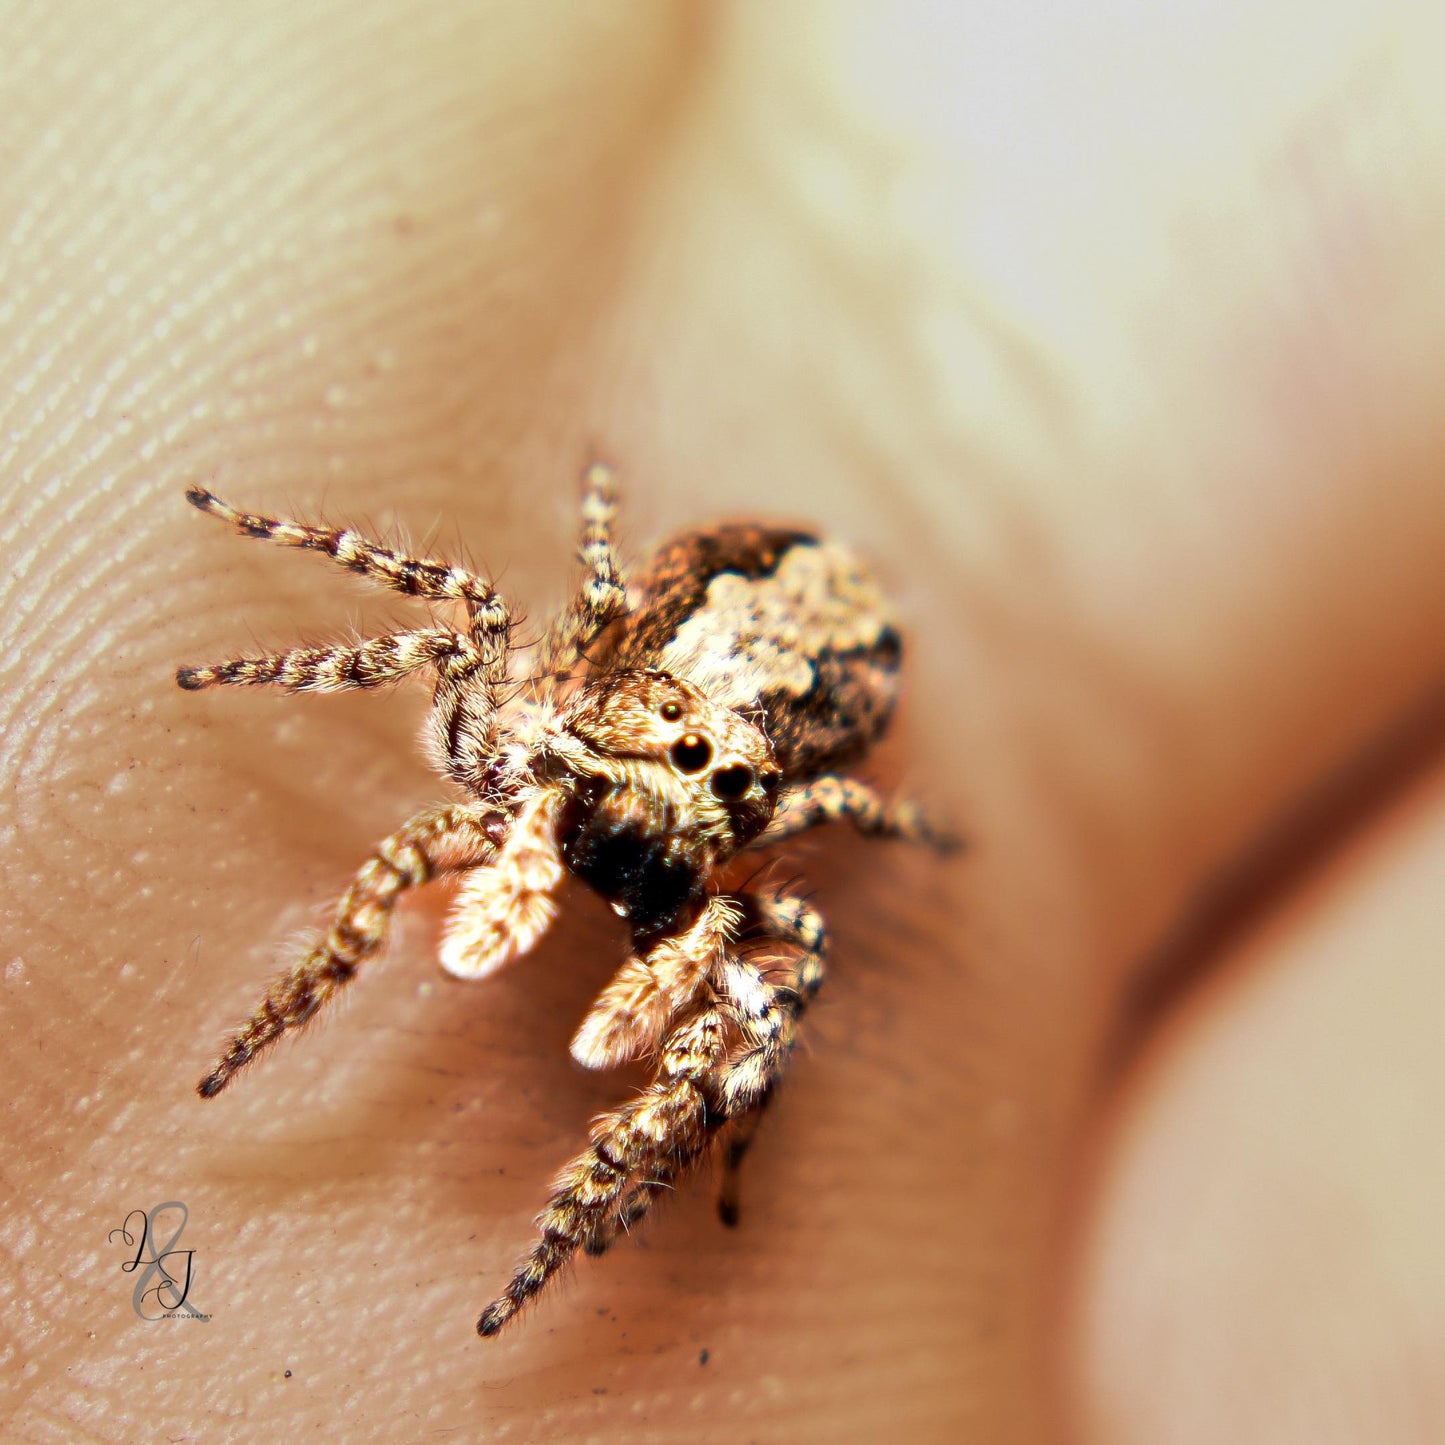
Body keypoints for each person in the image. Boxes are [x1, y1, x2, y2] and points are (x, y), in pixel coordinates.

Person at [4, 3, 1445, 1439]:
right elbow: (443, 603)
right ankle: (280, 1017)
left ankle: (573, 1228)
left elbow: (802, 893)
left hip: (805, 671)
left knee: (769, 1003)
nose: (616, 843)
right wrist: (254, 648)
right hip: (705, 619)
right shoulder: (563, 699)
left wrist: (724, 1110)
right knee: (442, 620)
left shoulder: (731, 859)